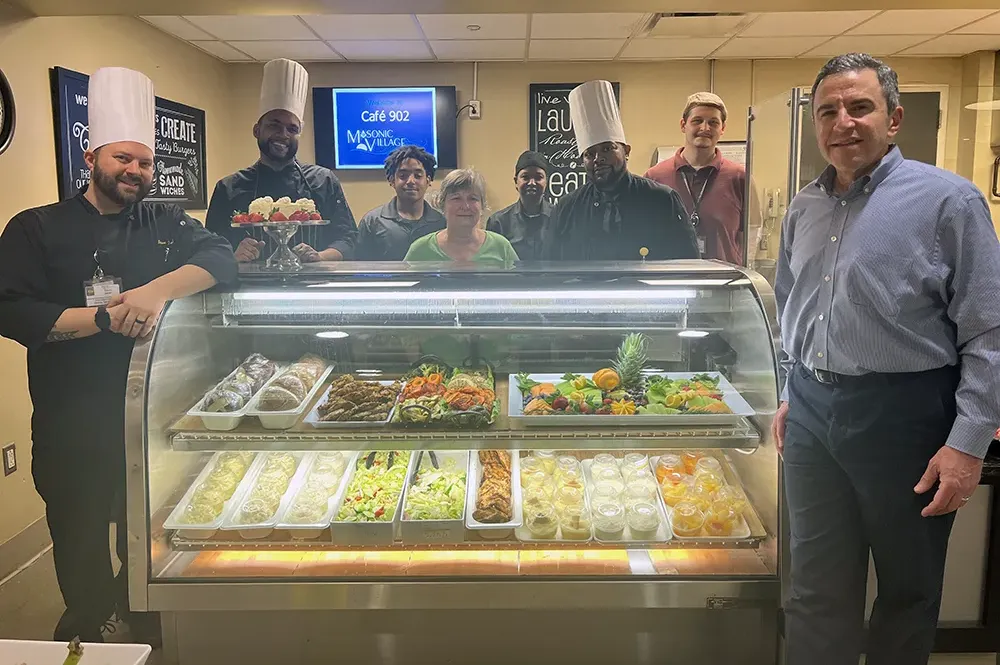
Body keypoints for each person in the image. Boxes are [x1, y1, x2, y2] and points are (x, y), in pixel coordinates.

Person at [772, 53, 1000, 665]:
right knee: (814, 586)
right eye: (828, 111)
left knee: (906, 588)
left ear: (893, 118)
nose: (842, 121)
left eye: (859, 107)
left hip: (907, 415)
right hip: (815, 413)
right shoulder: (804, 207)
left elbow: (990, 331)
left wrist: (968, 443)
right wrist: (793, 392)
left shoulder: (949, 202)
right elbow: (795, 310)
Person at [0, 67, 237, 644]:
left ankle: (145, 620)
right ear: (91, 158)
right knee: (79, 531)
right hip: (73, 414)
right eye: (122, 159)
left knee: (145, 525)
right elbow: (10, 309)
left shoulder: (162, 220)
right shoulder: (36, 228)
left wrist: (152, 292)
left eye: (145, 162)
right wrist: (103, 319)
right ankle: (86, 621)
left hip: (155, 409)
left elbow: (221, 259)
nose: (135, 171)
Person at [205, 58, 356, 263]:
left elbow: (349, 239)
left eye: (291, 129)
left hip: (314, 287)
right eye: (274, 126)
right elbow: (210, 247)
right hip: (249, 290)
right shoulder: (229, 187)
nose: (283, 134)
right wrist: (233, 256)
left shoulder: (324, 180)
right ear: (257, 130)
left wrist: (320, 256)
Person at [544, 80, 698, 262]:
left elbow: (688, 264)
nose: (598, 158)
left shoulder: (662, 200)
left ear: (626, 151)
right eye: (589, 154)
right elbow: (550, 268)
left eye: (607, 149)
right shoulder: (567, 208)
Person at [644, 92, 746, 264]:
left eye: (713, 122)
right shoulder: (654, 177)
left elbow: (750, 236)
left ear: (722, 129)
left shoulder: (740, 177)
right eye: (697, 121)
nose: (705, 128)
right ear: (683, 125)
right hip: (671, 283)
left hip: (724, 284)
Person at [404, 168, 518, 265]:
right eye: (456, 198)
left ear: (483, 206)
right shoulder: (420, 250)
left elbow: (519, 286)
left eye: (473, 198)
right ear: (442, 205)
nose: (465, 206)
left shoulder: (501, 247)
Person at [354, 145, 445, 261]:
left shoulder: (441, 223)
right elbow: (361, 269)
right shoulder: (372, 222)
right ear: (392, 180)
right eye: (403, 176)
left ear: (428, 180)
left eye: (418, 176)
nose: (411, 181)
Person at [485, 150, 553, 261]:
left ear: (546, 181)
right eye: (525, 177)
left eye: (538, 177)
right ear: (516, 182)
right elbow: (493, 265)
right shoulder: (498, 222)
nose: (532, 182)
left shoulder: (559, 218)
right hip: (512, 279)